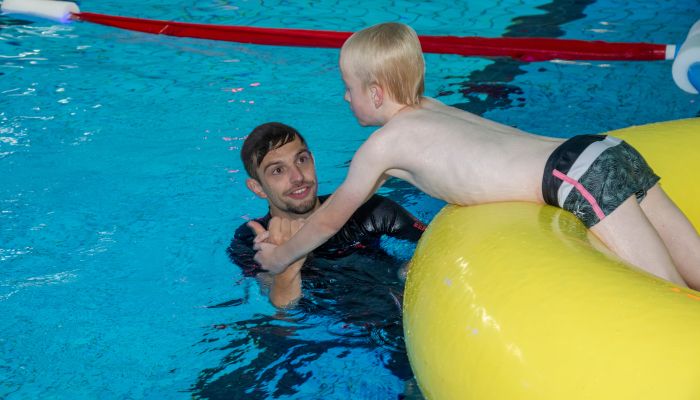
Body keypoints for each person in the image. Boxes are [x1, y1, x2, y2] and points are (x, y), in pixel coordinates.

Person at [254, 22, 700, 290]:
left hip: (578, 177)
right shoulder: (432, 109)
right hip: (604, 150)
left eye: (348, 88)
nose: (345, 97)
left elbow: (330, 218)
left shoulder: (381, 146)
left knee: (666, 295)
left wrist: (278, 258)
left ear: (374, 92)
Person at [228, 122, 426, 307]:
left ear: (313, 160)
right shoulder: (252, 239)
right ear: (258, 188)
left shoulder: (367, 209)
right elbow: (282, 313)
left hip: (402, 303)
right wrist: (287, 266)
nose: (298, 177)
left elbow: (433, 241)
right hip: (332, 332)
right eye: (278, 170)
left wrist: (413, 270)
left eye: (302, 160)